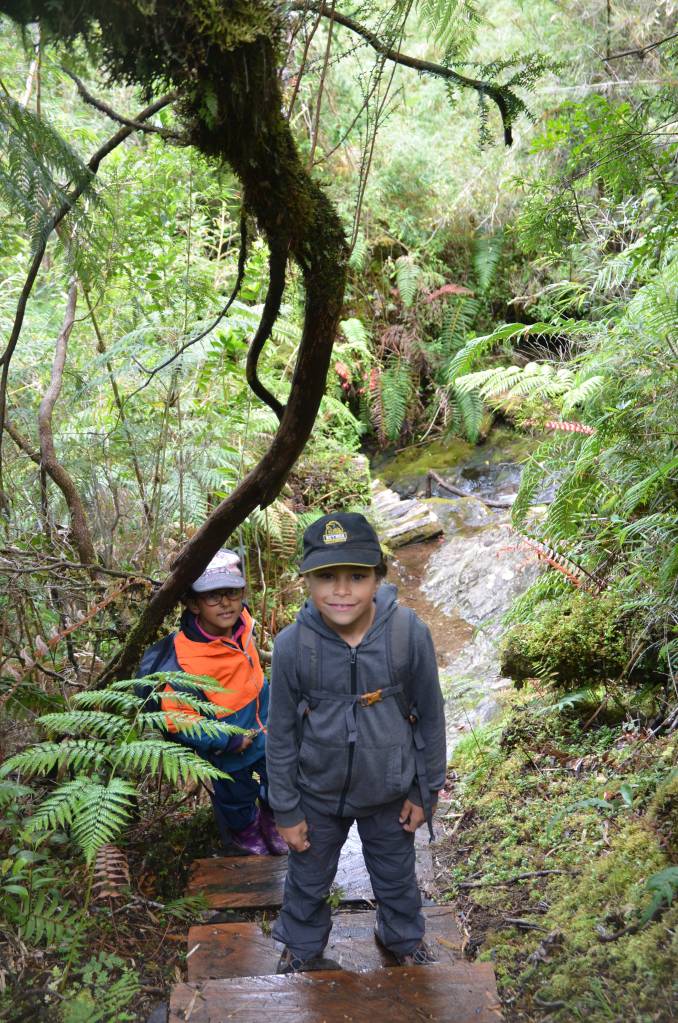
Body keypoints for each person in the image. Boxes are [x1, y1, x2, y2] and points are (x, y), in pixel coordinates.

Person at [266, 512, 447, 974]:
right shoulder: (292, 646)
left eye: (357, 577)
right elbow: (281, 733)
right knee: (307, 878)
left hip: (390, 791)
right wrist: (286, 809)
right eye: (327, 577)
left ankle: (402, 936)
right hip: (317, 793)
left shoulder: (408, 634)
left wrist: (424, 791)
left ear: (377, 578)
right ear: (308, 580)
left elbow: (430, 716)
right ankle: (302, 945)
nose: (342, 591)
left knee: (396, 875)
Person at [138, 548, 287, 856]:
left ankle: (273, 819)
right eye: (212, 596)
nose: (225, 603)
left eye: (232, 592)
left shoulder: (243, 621)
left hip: (267, 727)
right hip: (230, 746)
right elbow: (178, 719)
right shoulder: (183, 661)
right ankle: (245, 829)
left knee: (280, 778)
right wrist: (227, 740)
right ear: (193, 604)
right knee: (236, 794)